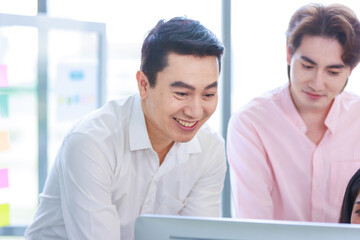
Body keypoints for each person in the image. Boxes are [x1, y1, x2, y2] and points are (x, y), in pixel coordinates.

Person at [25, 17, 226, 240]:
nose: (196, 112)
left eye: (208, 94)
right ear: (143, 85)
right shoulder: (91, 142)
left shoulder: (210, 148)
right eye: (181, 93)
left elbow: (196, 236)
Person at [227, 3, 360, 223]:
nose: (317, 84)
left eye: (333, 71)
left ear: (351, 69)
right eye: (307, 66)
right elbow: (252, 228)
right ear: (289, 54)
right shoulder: (250, 124)